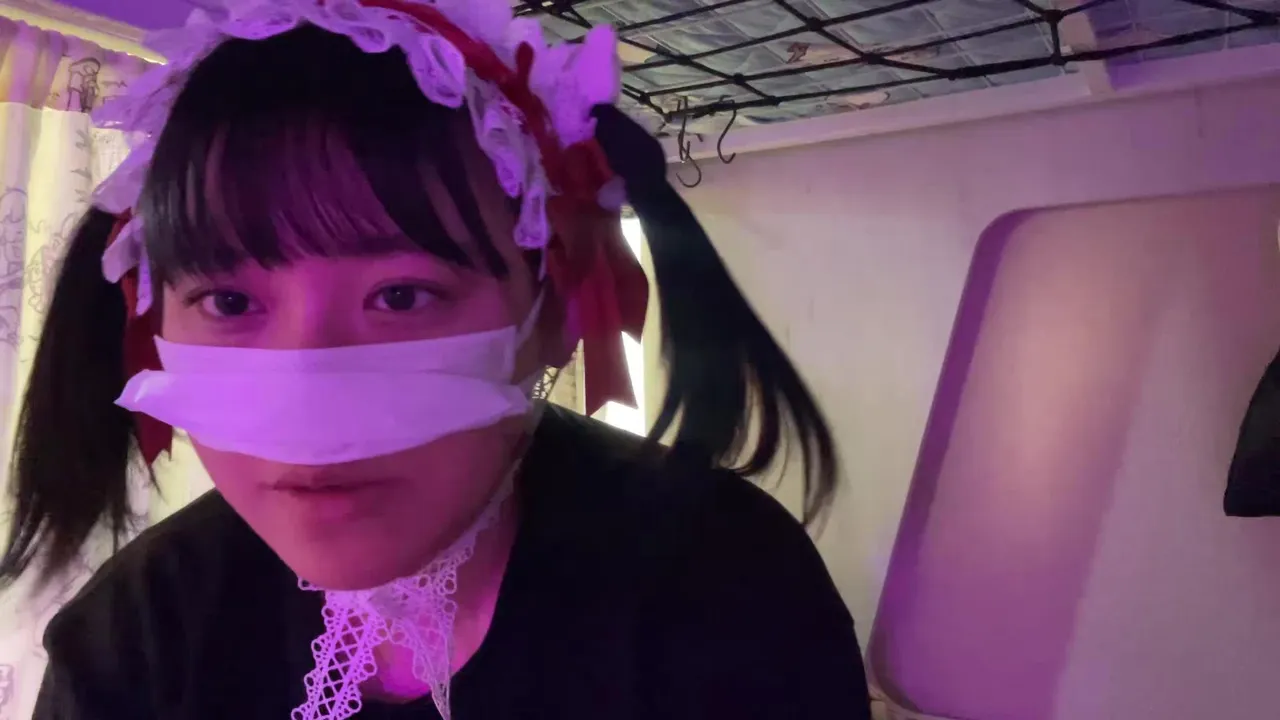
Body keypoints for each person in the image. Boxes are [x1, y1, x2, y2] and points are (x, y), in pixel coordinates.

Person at [0, 2, 872, 718]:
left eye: (402, 296)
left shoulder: (726, 583)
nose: (312, 397)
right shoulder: (131, 638)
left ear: (551, 316)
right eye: (230, 304)